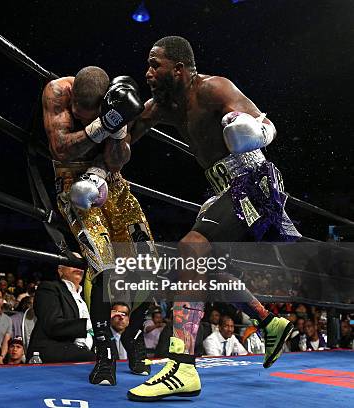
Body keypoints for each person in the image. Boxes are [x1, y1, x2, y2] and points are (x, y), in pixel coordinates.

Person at [127, 36, 299, 401]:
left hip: (252, 181)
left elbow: (266, 125)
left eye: (155, 65)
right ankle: (270, 322)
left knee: (191, 250)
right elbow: (125, 143)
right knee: (202, 263)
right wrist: (110, 121)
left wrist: (247, 129)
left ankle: (181, 365)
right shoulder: (161, 106)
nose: (148, 73)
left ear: (179, 68)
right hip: (224, 190)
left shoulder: (214, 87)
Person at [43, 65, 157, 384]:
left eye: (88, 113)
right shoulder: (57, 92)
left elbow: (118, 159)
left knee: (150, 262)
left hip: (111, 178)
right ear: (73, 99)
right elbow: (61, 147)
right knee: (102, 263)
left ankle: (133, 338)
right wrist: (103, 124)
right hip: (71, 182)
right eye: (78, 112)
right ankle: (105, 354)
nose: (79, 116)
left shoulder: (118, 98)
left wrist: (118, 129)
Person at [27, 263, 96, 363]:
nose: (78, 267)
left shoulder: (84, 297)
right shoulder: (49, 288)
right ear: (60, 270)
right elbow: (52, 325)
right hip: (52, 347)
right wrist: (89, 325)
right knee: (92, 359)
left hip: (82, 350)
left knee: (109, 355)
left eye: (80, 265)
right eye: (72, 263)